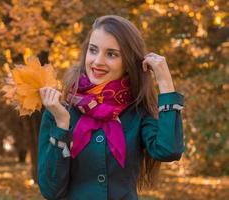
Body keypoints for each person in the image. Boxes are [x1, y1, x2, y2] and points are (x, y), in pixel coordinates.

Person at [37, 15, 185, 200]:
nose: (98, 61)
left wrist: (165, 82)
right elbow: (51, 191)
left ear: (128, 62)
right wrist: (62, 126)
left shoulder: (137, 111)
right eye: (93, 50)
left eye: (111, 54)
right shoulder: (59, 109)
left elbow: (168, 150)